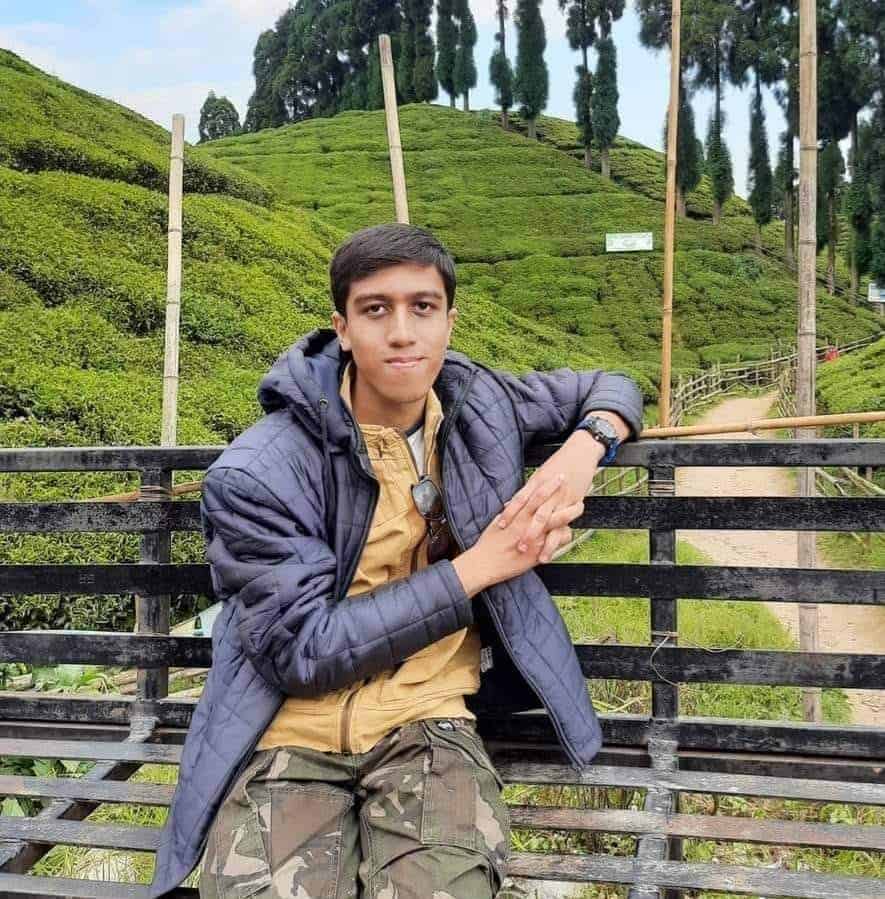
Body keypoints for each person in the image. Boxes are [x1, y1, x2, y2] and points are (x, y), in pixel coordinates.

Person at [147, 222, 644, 899]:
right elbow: (304, 651)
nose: (403, 332)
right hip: (288, 732)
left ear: (449, 322)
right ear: (343, 328)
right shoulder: (259, 471)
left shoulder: (479, 402)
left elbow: (613, 385)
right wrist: (481, 566)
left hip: (430, 719)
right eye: (376, 309)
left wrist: (583, 449)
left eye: (423, 307)